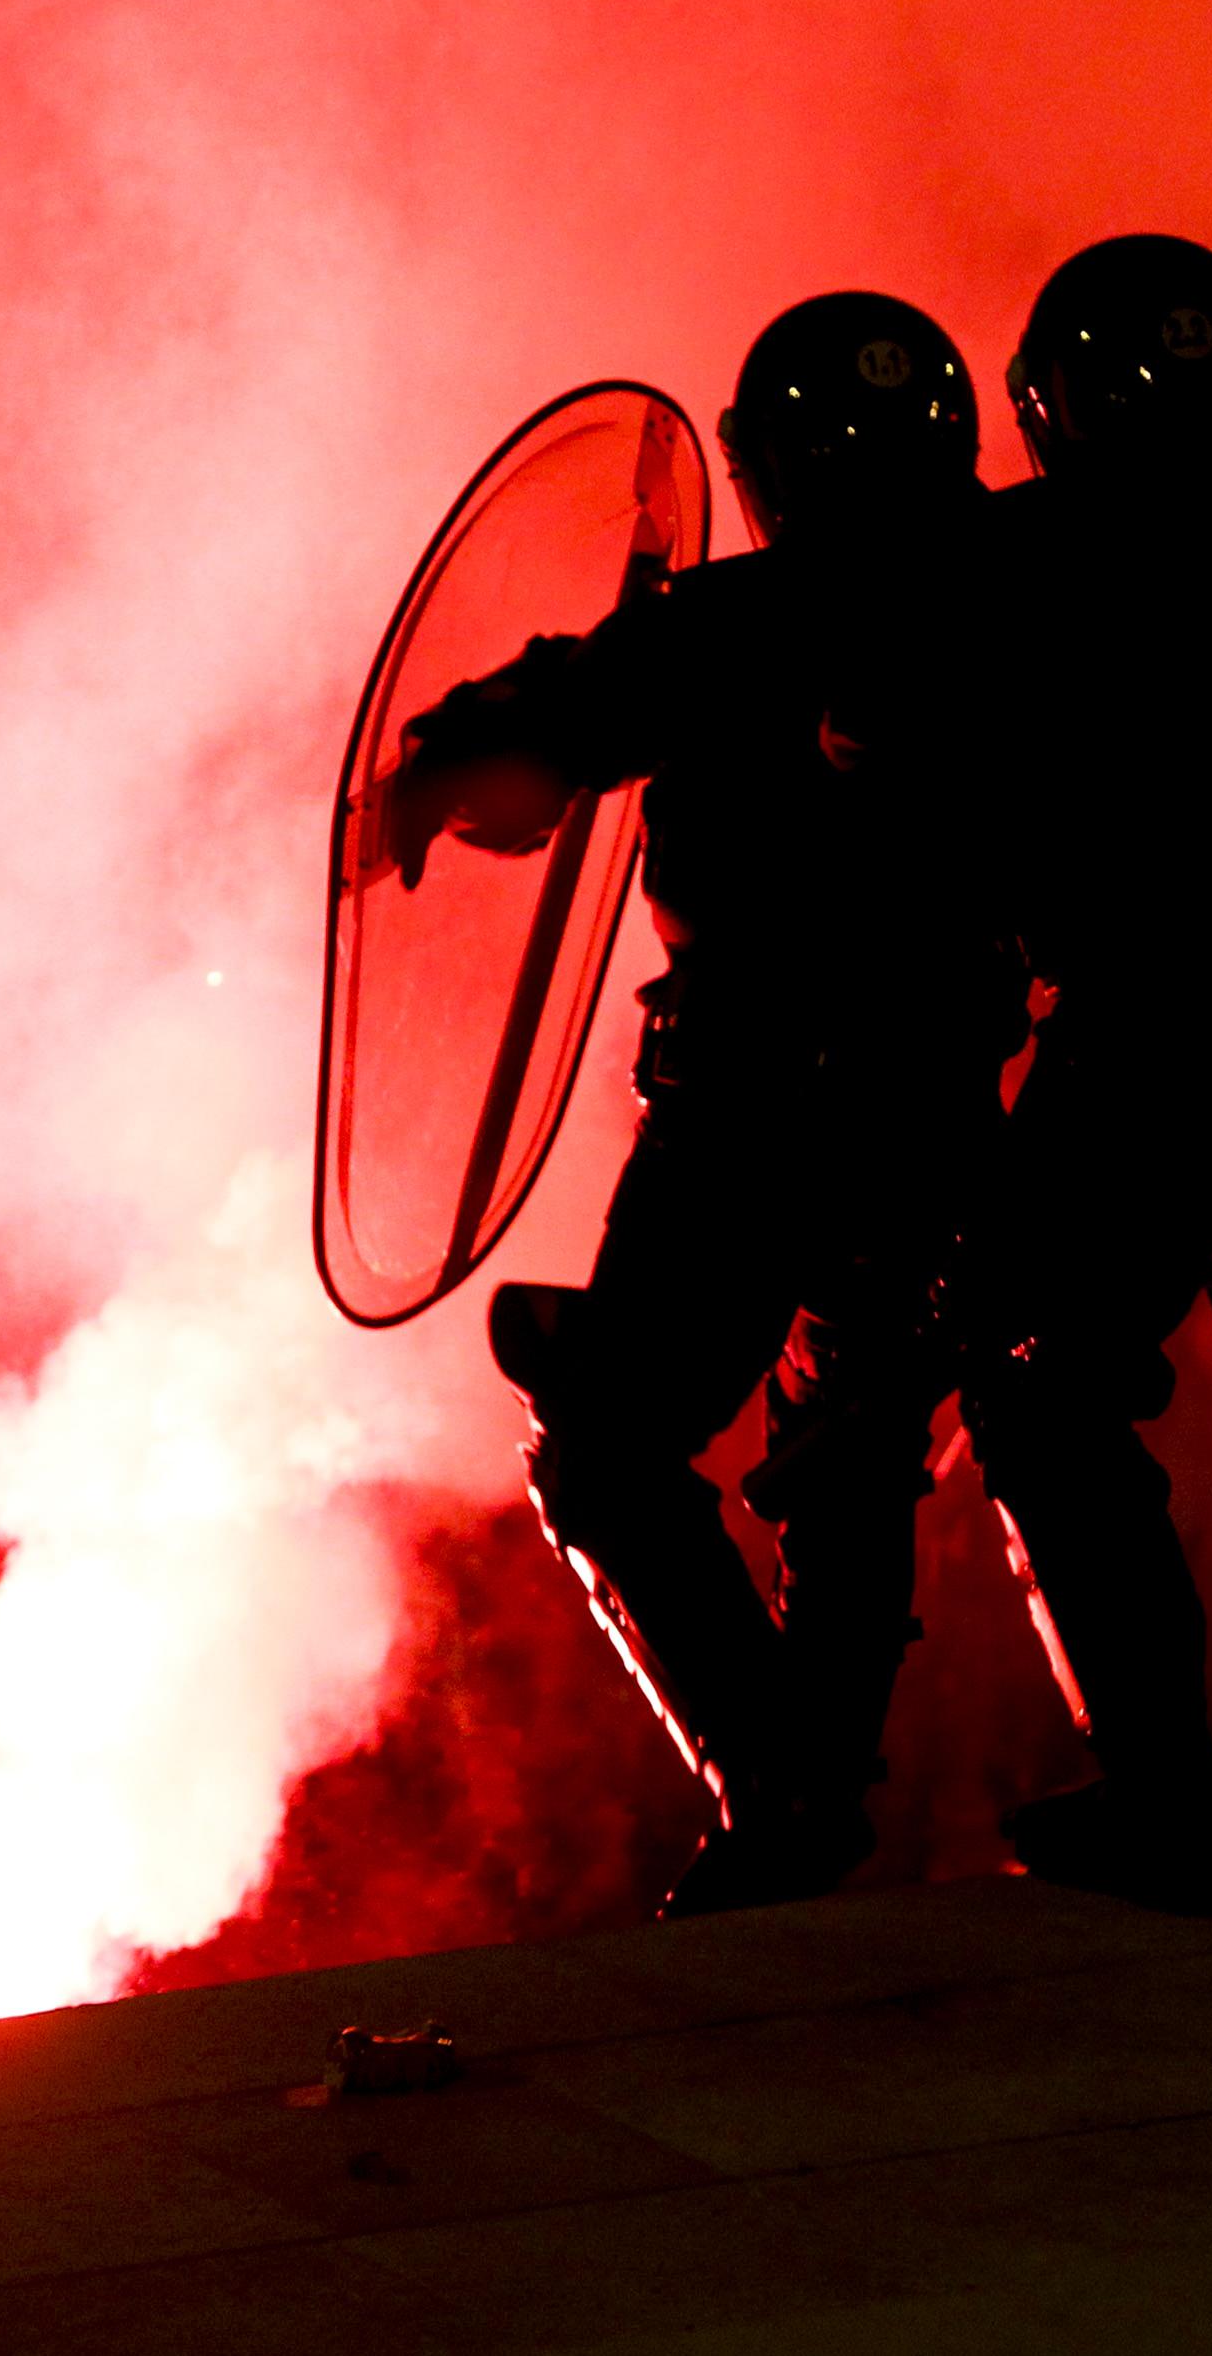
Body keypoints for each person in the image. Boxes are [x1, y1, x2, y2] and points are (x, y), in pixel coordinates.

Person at [388, 291, 1024, 1913]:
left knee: (607, 1454)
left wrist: (441, 759)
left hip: (750, 1117)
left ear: (768, 462)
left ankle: (782, 1790)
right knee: (850, 1450)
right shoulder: (1033, 590)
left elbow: (554, 729)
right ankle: (810, 1798)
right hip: (942, 1103)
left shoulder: (737, 622)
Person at [859, 235, 1212, 1908]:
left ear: (1051, 400)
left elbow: (892, 746)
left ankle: (1169, 1789)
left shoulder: (1038, 552)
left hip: (1166, 1020)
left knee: (1036, 1370)